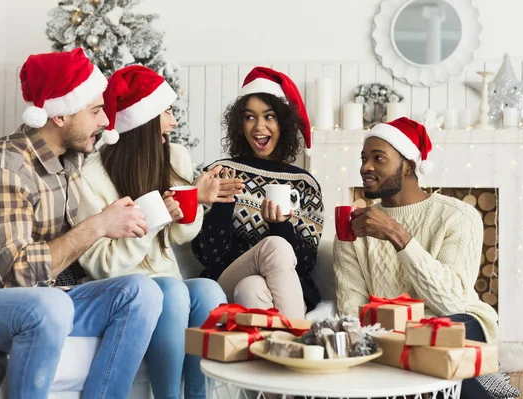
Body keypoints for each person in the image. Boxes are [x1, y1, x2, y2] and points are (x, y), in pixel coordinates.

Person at [0, 49, 163, 399]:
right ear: (60, 116)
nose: (106, 121)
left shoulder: (69, 163)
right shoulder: (6, 167)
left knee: (142, 292)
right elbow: (18, 276)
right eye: (95, 111)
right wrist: (97, 226)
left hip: (49, 296)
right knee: (51, 304)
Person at [74, 65, 236, 399]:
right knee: (172, 292)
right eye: (168, 111)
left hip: (165, 279)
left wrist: (196, 202)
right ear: (144, 121)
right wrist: (151, 219)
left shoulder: (173, 155)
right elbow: (101, 264)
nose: (175, 121)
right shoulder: (91, 177)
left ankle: (198, 395)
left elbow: (178, 237)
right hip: (123, 288)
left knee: (208, 292)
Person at [333, 117, 499, 399]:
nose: (365, 167)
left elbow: (452, 302)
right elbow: (351, 310)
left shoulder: (457, 216)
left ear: (408, 165)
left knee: (441, 342)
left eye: (378, 158)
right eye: (363, 158)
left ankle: (493, 386)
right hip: (392, 335)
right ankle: (494, 385)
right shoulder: (355, 227)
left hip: (456, 323)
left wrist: (398, 235)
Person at [192, 67, 325, 318]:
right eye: (250, 117)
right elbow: (207, 255)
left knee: (252, 288)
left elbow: (306, 264)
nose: (259, 126)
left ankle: (271, 353)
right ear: (239, 123)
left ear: (283, 123)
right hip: (225, 279)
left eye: (269, 117)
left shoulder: (305, 184)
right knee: (274, 247)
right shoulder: (220, 173)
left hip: (271, 289)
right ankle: (298, 340)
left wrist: (281, 226)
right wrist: (222, 204)